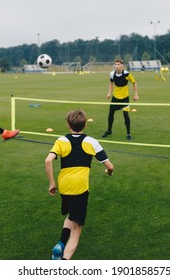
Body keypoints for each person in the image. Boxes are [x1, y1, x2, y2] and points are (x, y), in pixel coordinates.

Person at [45, 109, 114, 260]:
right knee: (76, 229)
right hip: (80, 188)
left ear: (68, 125)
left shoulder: (61, 140)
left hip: (64, 186)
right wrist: (109, 173)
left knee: (71, 214)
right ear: (85, 125)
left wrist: (52, 184)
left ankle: (60, 243)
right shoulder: (92, 142)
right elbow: (110, 166)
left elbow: (48, 160)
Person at [102, 59, 139, 141]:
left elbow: (134, 82)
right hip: (115, 98)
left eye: (118, 64)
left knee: (126, 115)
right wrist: (109, 93)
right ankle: (109, 131)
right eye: (115, 64)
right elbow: (111, 83)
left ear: (122, 65)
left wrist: (136, 94)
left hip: (125, 98)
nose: (116, 66)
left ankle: (128, 133)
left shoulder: (127, 74)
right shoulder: (112, 74)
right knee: (110, 114)